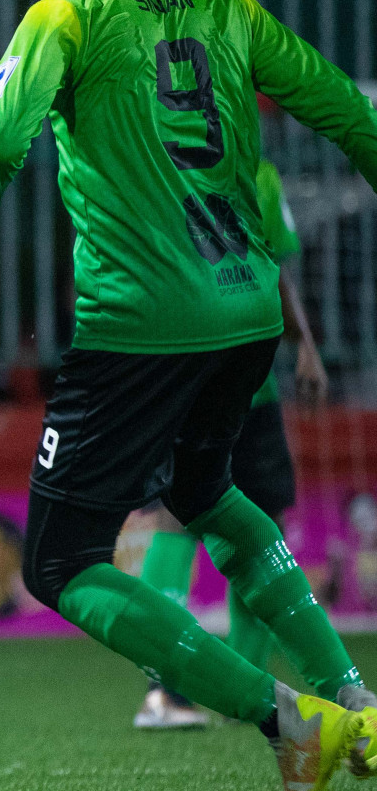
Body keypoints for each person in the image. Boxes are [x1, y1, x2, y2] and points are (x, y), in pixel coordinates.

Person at [0, 0, 377, 791]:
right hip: (245, 312)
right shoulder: (226, 10)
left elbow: (0, 138)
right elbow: (348, 111)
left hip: (141, 328)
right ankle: (355, 696)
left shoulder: (63, 17)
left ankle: (288, 720)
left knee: (58, 560)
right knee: (205, 489)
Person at [132, 158, 329, 730]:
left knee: (258, 518)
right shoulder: (167, 165)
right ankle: (165, 690)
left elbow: (272, 271)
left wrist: (307, 346)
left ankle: (242, 686)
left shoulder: (257, 174)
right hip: (193, 378)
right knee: (178, 517)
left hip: (249, 385)